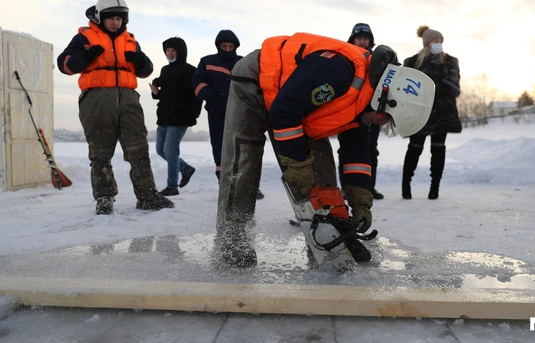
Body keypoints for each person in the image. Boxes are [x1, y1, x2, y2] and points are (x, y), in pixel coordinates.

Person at [215, 32, 429, 268]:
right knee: (243, 160)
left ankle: (331, 235)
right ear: (385, 97)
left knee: (321, 171)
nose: (382, 123)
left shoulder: (365, 101)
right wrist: (296, 164)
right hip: (256, 78)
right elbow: (284, 112)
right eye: (386, 118)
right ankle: (233, 243)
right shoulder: (339, 71)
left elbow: (357, 153)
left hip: (295, 104)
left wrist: (360, 201)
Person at [57, 0, 175, 214]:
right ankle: (104, 197)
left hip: (128, 98)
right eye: (111, 18)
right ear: (100, 17)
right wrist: (86, 56)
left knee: (138, 148)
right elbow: (65, 64)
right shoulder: (85, 38)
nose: (116, 22)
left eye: (120, 18)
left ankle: (147, 195)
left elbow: (147, 70)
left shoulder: (130, 40)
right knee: (100, 151)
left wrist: (140, 62)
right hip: (97, 98)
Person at [193, 30, 264, 199]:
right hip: (217, 114)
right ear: (218, 46)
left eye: (230, 46)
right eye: (223, 46)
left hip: (242, 114)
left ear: (235, 47)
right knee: (220, 149)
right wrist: (210, 95)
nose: (227, 49)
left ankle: (248, 186)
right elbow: (197, 82)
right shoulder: (207, 61)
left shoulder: (243, 63)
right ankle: (224, 184)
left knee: (244, 149)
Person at [401, 26, 462, 200]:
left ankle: (434, 188)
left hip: (442, 112)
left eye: (441, 41)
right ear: (427, 43)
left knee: (438, 149)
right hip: (419, 111)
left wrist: (431, 88)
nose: (439, 45)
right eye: (436, 41)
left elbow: (453, 86)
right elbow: (407, 87)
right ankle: (406, 186)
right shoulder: (412, 62)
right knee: (414, 148)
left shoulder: (450, 61)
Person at [150, 37, 203, 196]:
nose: (170, 53)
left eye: (173, 50)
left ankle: (172, 186)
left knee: (171, 151)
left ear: (180, 52)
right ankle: (186, 169)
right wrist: (156, 93)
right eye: (167, 50)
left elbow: (196, 95)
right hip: (164, 116)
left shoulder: (190, 70)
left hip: (180, 117)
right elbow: (166, 94)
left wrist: (193, 115)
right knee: (161, 150)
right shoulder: (165, 70)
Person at [341, 23, 385, 200]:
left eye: (365, 39)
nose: (362, 42)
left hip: (370, 112)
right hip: (348, 111)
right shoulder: (344, 57)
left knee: (371, 149)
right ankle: (347, 188)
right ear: (353, 39)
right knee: (345, 151)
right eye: (359, 38)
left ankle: (369, 187)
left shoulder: (377, 60)